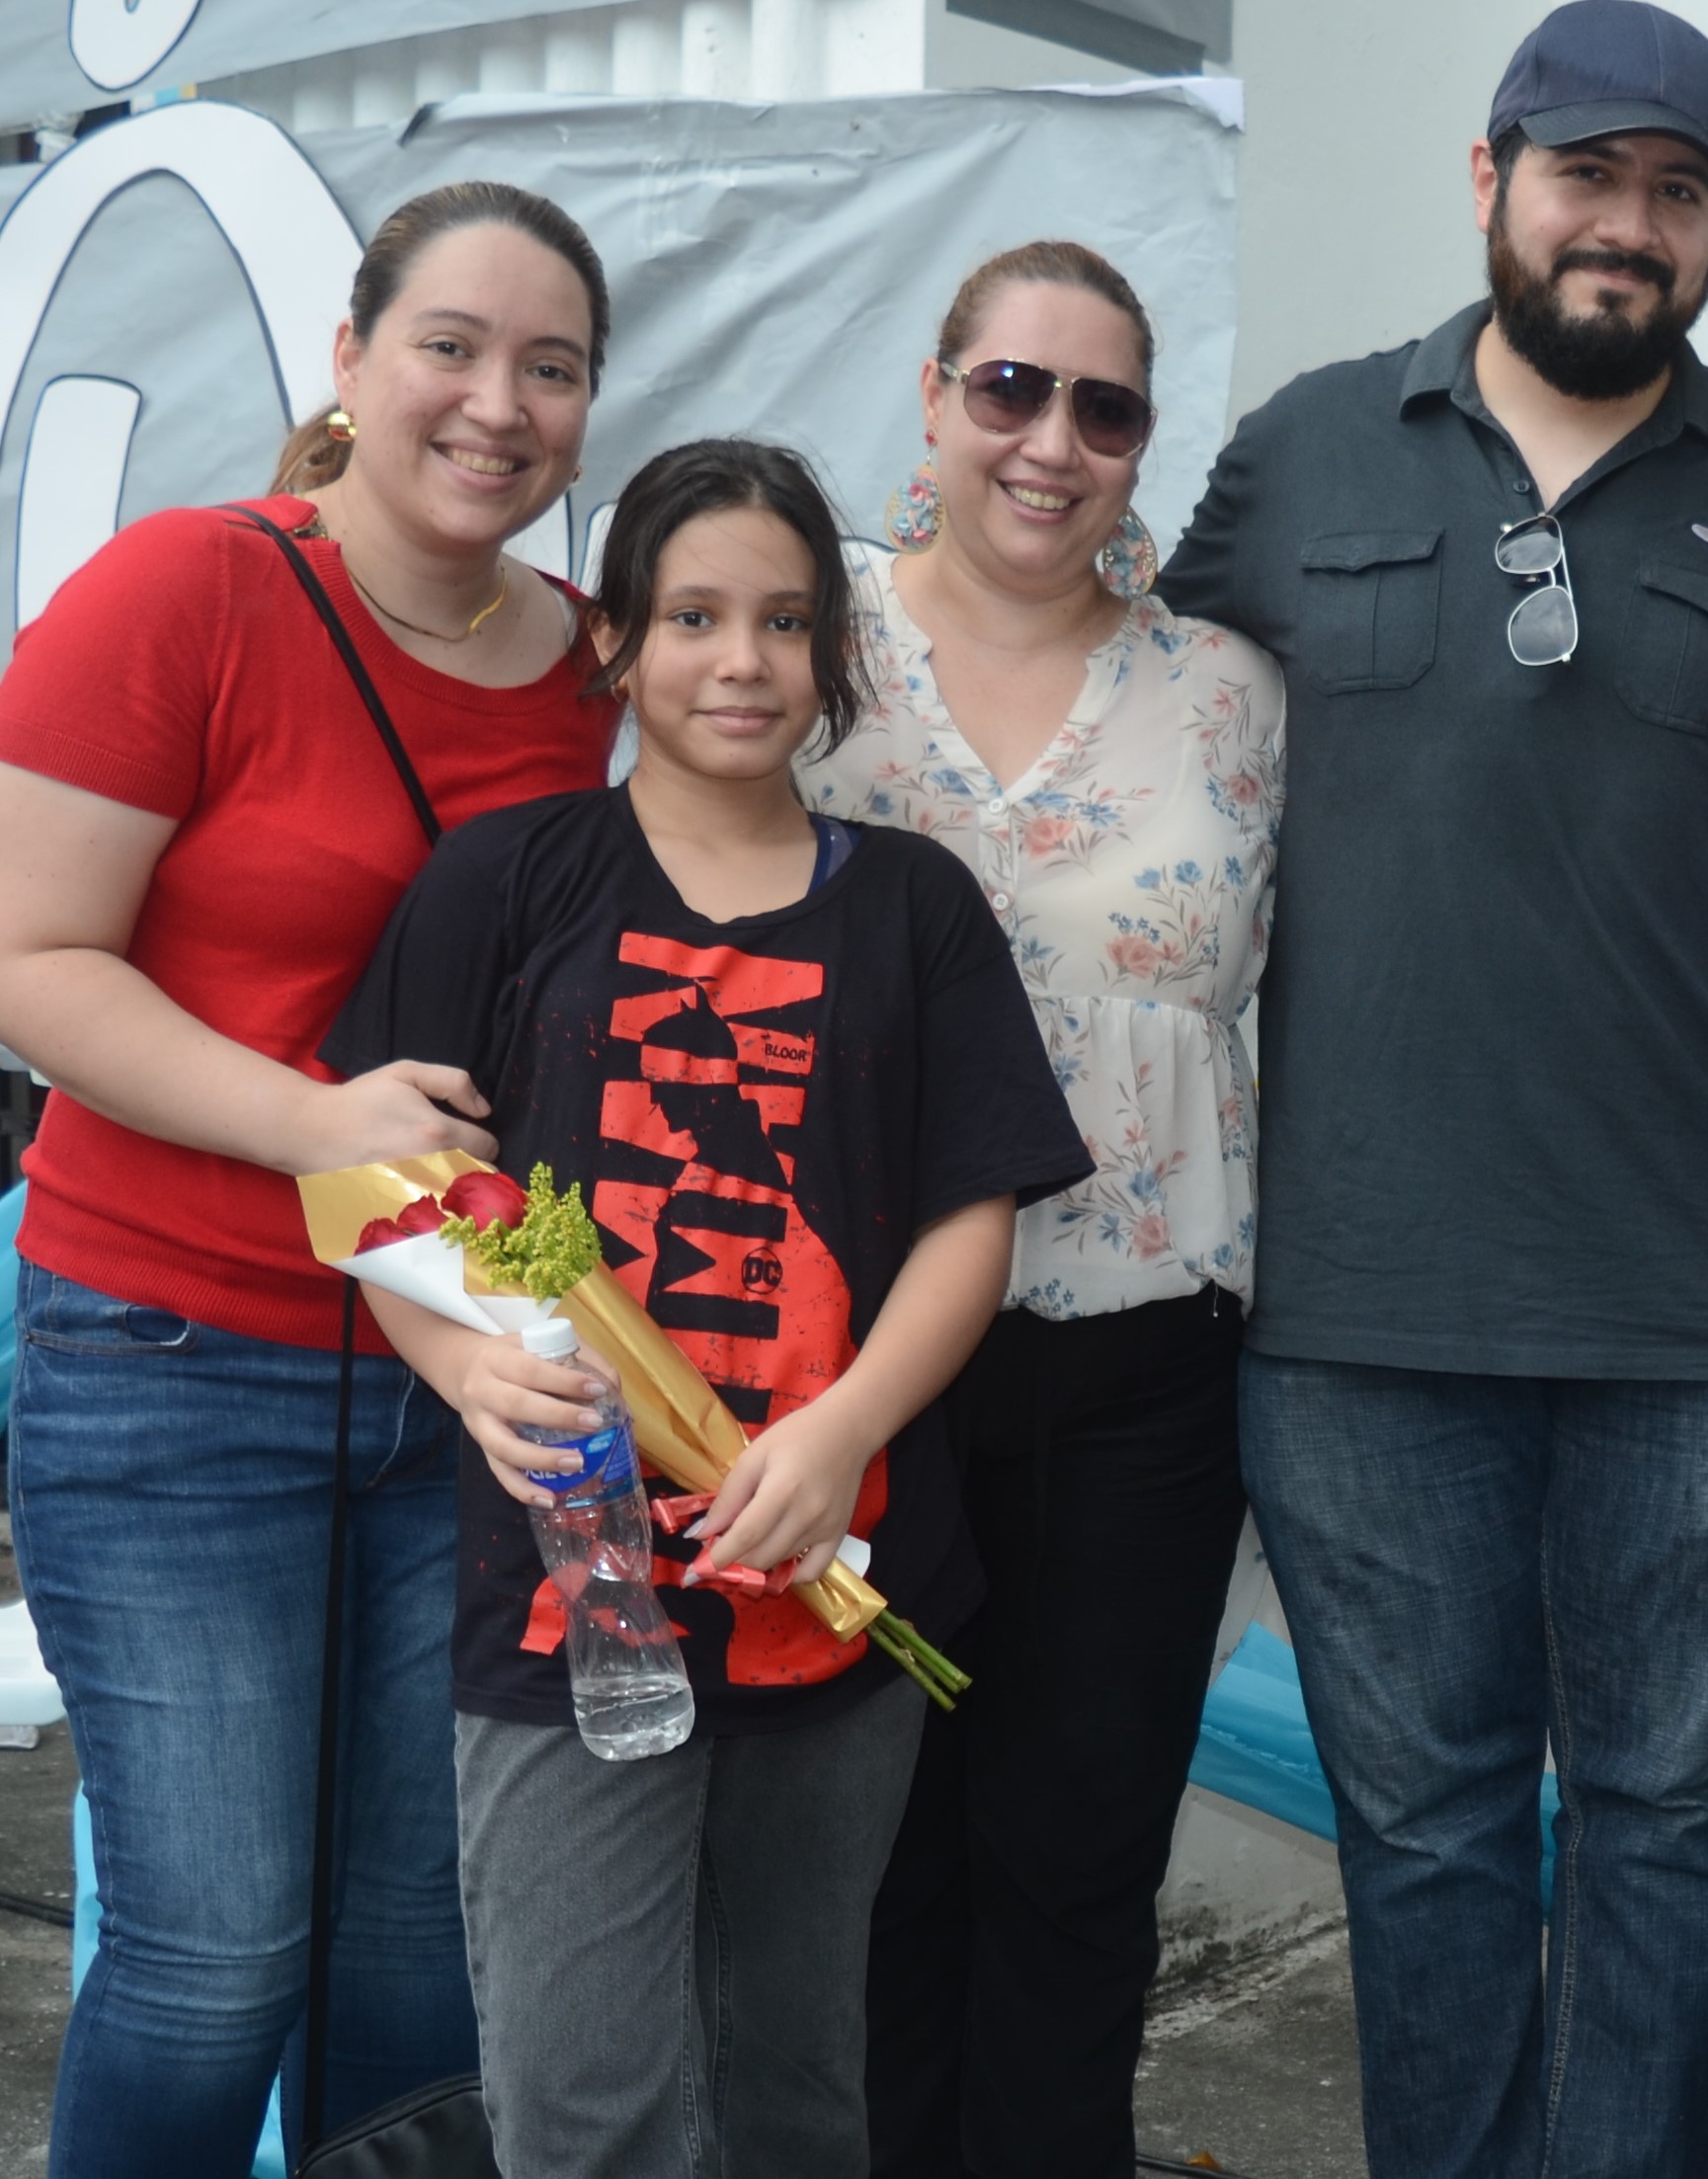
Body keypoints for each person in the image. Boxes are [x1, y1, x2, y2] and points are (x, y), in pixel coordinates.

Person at [1157, 0, 1708, 2176]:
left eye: (1679, 195)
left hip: (1699, 1316)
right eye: (1591, 176)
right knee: (1426, 1837)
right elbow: (1134, 751)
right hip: (1363, 1312)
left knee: (1672, 1841)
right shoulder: (1303, 454)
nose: (1630, 229)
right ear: (1488, 178)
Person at [322, 437, 1090, 2172]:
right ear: (617, 640)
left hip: (836, 1580)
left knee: (796, 2078)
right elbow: (376, 1182)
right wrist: (460, 1373)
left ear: (831, 659)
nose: (739, 658)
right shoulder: (507, 881)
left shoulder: (912, 905)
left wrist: (842, 1426)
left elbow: (976, 1216)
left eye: (784, 620)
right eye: (691, 614)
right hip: (566, 1599)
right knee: (581, 2093)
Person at [0, 182, 616, 2170]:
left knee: (418, 1955)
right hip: (166, 1361)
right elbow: (27, 958)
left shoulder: (592, 677)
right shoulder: (186, 588)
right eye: (451, 343)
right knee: (210, 1953)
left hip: (455, 1385)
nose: (496, 401)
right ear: (350, 362)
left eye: (552, 366)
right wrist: (312, 1119)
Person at [815, 241, 1286, 2178]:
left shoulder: (1233, 695)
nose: (1052, 439)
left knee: (1080, 1875)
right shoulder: (799, 635)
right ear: (933, 397)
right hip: (840, 1375)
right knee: (875, 1868)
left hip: (1135, 1381)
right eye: (1010, 387)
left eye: (1105, 407)